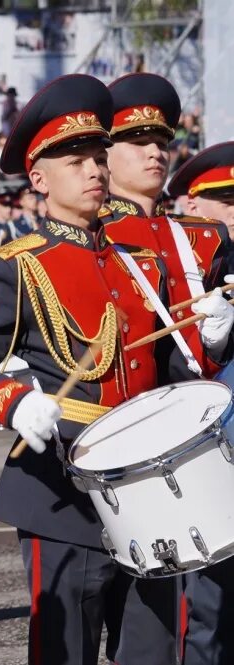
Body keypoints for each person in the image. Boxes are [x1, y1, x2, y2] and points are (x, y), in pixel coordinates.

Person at [0, 73, 234, 665]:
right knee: (65, 650)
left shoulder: (141, 261)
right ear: (39, 179)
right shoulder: (15, 265)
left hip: (150, 489)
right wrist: (11, 401)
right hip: (64, 486)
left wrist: (214, 341)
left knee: (152, 650)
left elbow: (170, 372)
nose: (95, 170)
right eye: (76, 160)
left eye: (99, 156)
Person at [101, 73, 232, 379]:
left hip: (205, 398)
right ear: (104, 155)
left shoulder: (208, 235)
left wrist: (220, 338)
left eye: (161, 143)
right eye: (138, 142)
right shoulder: (96, 235)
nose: (155, 153)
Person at [165, 140, 234, 665]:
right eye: (227, 201)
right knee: (208, 588)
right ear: (194, 205)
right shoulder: (191, 256)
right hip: (208, 429)